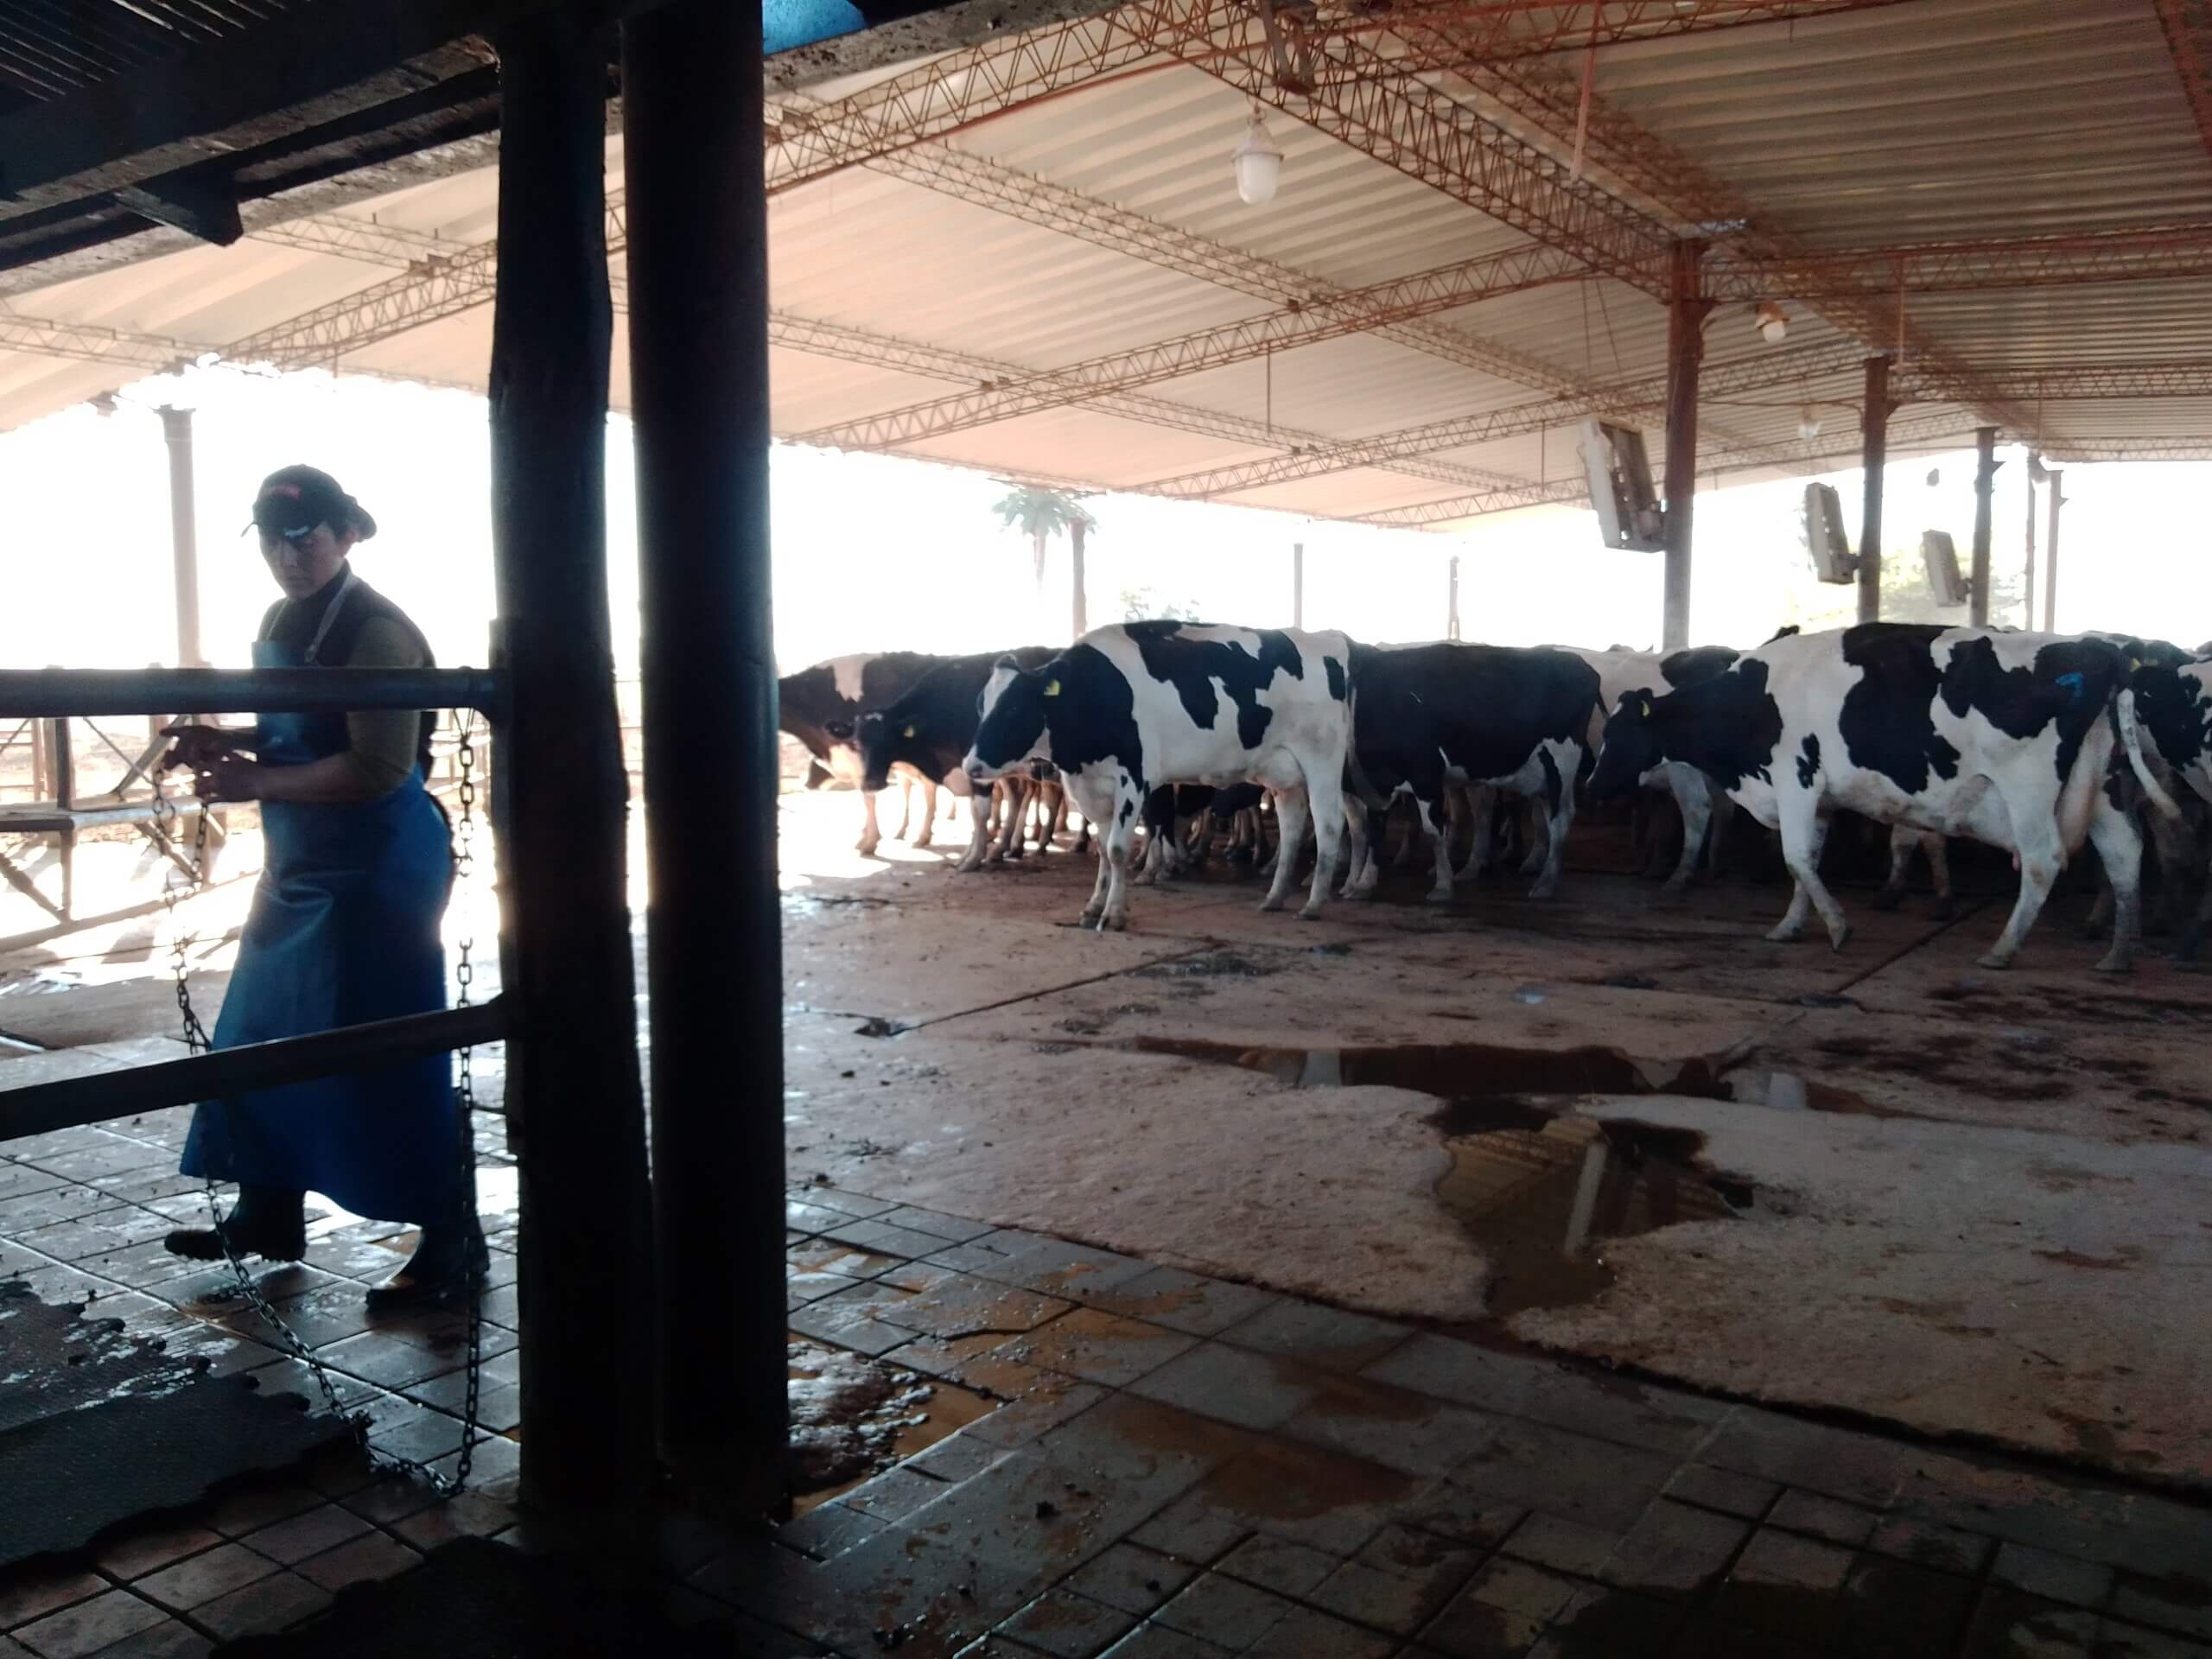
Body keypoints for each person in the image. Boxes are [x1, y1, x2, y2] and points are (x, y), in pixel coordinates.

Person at [161, 465, 482, 1310]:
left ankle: (451, 1238)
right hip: (302, 864)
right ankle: (268, 1207)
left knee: (388, 1043)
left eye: (304, 537)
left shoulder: (377, 631)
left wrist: (250, 783)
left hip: (379, 863)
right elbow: (296, 729)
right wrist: (220, 738)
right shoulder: (281, 618)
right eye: (272, 538)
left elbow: (376, 767)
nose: (288, 554)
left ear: (346, 535)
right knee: (265, 1028)